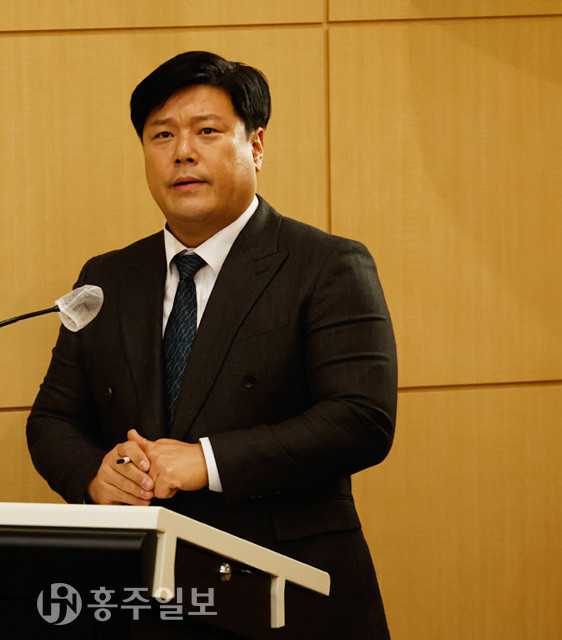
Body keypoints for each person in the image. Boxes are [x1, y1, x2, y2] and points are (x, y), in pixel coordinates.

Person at [27, 51, 397, 638]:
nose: (182, 152)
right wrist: (97, 476)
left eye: (206, 131)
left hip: (287, 589)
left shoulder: (326, 265)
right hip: (148, 590)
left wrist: (208, 461)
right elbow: (53, 419)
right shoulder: (108, 278)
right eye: (162, 135)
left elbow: (361, 418)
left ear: (256, 145)